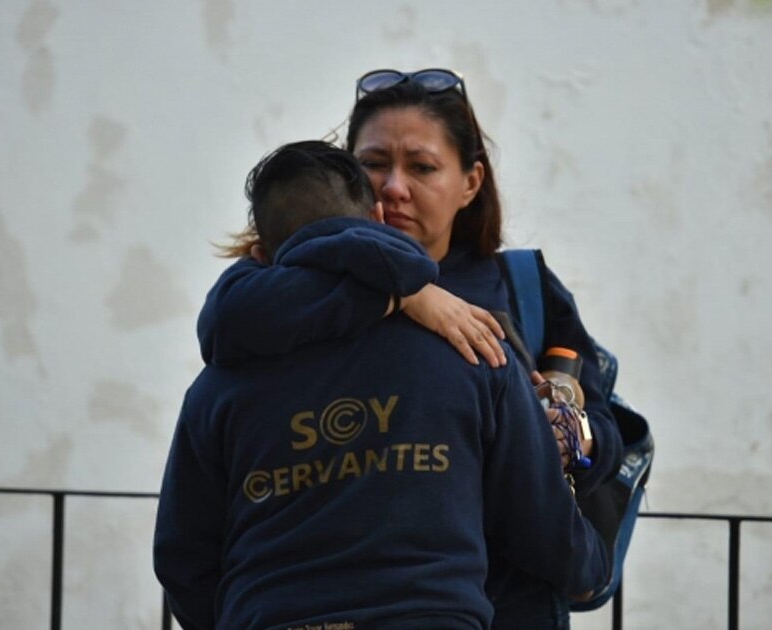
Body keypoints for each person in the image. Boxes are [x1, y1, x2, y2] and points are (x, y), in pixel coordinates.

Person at [196, 69, 625, 629]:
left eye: (421, 167)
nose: (393, 187)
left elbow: (604, 444)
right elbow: (226, 319)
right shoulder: (269, 290)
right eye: (374, 164)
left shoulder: (522, 286)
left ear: (470, 183)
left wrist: (566, 434)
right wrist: (406, 295)